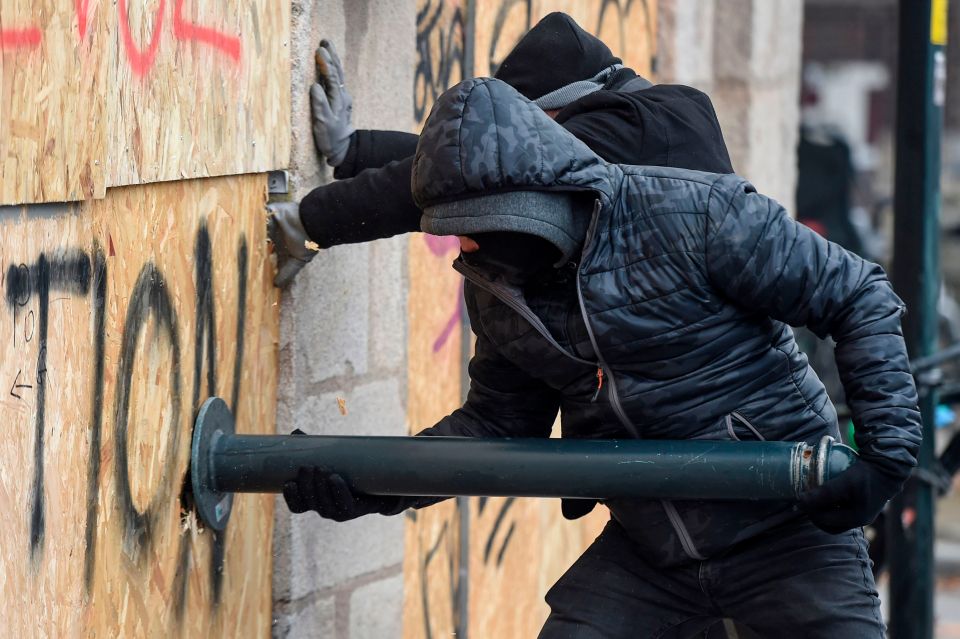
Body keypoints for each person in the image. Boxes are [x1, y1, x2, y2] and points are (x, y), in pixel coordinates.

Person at [285, 76, 921, 637]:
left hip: (786, 531)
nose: (469, 245)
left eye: (481, 225)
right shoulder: (501, 287)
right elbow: (495, 430)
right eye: (458, 230)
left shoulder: (695, 215)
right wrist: (366, 482)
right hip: (651, 550)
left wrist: (885, 457)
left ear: (540, 197)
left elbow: (858, 294)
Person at [268, 12, 732, 287]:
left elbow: (474, 179)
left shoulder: (623, 132)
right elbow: (475, 170)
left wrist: (309, 224)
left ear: (562, 105)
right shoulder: (656, 117)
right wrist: (356, 151)